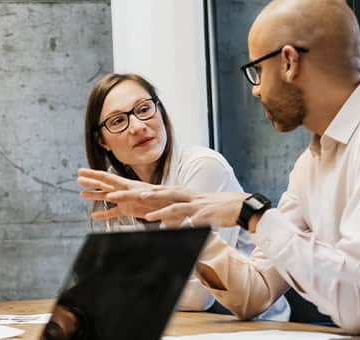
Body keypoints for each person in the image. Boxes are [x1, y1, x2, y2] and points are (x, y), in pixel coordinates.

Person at [78, 0, 360, 338]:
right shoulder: (310, 166)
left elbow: (358, 303)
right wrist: (189, 218)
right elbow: (254, 295)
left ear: (289, 61)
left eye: (257, 70)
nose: (255, 89)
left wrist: (252, 213)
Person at [79, 73, 288, 320]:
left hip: (249, 326)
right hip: (173, 326)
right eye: (117, 121)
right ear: (102, 141)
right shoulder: (113, 186)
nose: (137, 126)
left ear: (160, 111)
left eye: (144, 109)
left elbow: (198, 296)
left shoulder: (203, 167)